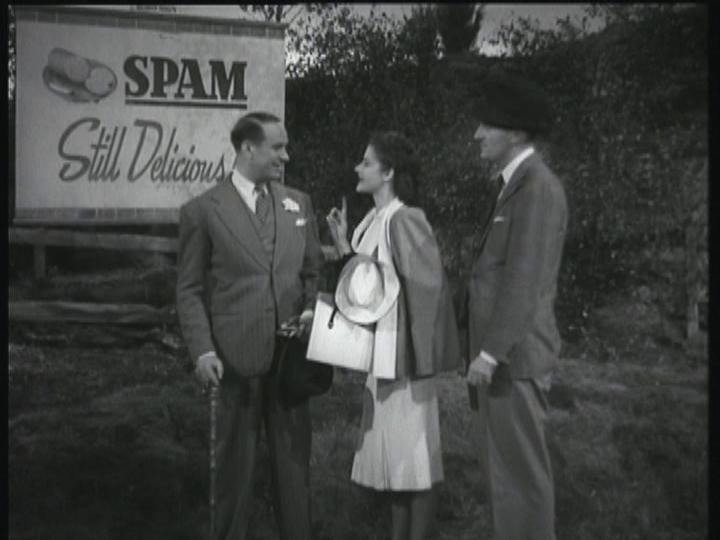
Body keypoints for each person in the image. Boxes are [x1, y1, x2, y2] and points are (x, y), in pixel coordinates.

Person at [175, 111, 323, 540]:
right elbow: (188, 290)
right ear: (247, 148)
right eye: (277, 147)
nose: (286, 156)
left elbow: (313, 273)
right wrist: (202, 351)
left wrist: (311, 315)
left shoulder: (299, 203)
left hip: (290, 368)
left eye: (286, 146)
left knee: (295, 476)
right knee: (232, 479)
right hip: (233, 363)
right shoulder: (202, 211)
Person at [326, 131, 461, 540]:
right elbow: (366, 282)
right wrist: (342, 245)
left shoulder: (405, 218)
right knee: (396, 464)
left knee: (414, 461)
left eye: (366, 162)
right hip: (382, 358)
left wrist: (416, 360)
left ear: (388, 172)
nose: (357, 167)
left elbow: (426, 290)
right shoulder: (372, 219)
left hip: (404, 364)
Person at [460, 72, 568, 540]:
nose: (477, 134)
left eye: (489, 125)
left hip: (513, 360)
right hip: (505, 358)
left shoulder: (537, 187)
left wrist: (489, 353)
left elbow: (523, 280)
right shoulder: (517, 184)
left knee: (520, 479)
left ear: (518, 133)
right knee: (504, 477)